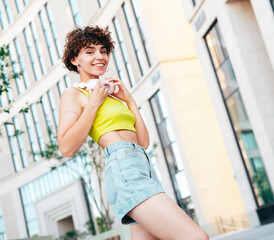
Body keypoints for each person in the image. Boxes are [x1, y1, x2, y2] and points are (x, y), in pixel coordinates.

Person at [58, 26, 209, 240]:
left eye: (103, 51)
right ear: (75, 60)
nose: (99, 56)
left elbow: (143, 142)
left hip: (143, 165)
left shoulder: (112, 96)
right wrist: (93, 104)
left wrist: (129, 100)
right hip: (124, 168)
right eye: (90, 52)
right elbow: (66, 146)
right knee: (196, 237)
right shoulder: (74, 94)